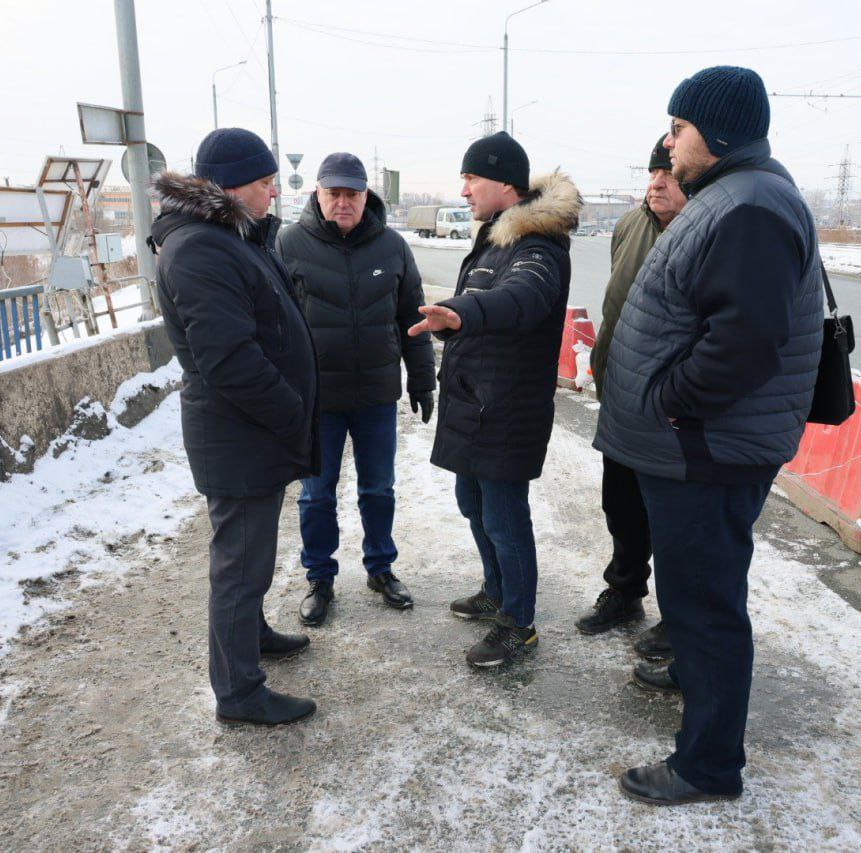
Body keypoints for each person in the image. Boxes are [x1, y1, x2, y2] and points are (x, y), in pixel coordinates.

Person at [593, 67, 825, 804]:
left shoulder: (750, 205)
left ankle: (708, 764)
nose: (670, 142)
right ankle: (696, 680)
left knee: (705, 604)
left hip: (705, 447)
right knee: (697, 596)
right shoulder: (733, 195)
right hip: (699, 444)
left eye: (679, 129)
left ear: (718, 135)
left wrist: (672, 403)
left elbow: (746, 340)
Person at [151, 127, 320, 727]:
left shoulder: (226, 236)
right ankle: (239, 693)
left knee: (252, 559)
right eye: (264, 183)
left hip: (251, 433)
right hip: (241, 433)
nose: (274, 192)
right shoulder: (199, 248)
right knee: (240, 567)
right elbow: (229, 359)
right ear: (228, 187)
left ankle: (253, 636)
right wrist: (291, 411)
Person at [408, 131, 581, 667]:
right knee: (473, 505)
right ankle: (495, 591)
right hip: (474, 405)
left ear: (504, 184)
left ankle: (519, 624)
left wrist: (463, 313)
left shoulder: (538, 248)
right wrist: (452, 323)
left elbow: (521, 299)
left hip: (507, 410)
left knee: (505, 518)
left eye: (471, 178)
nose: (463, 190)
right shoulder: (494, 240)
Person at [276, 152, 436, 627]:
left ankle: (381, 568)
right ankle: (319, 577)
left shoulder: (392, 246)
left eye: (353, 194)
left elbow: (414, 316)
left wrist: (423, 379)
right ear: (318, 194)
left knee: (378, 488)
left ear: (367, 196)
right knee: (316, 495)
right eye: (335, 193)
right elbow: (275, 325)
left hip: (374, 396)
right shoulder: (289, 245)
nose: (343, 202)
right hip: (317, 401)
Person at [575, 136, 687, 658]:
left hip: (674, 406)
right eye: (652, 174)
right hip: (621, 392)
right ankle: (624, 591)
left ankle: (679, 618)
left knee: (673, 518)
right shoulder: (630, 225)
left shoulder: (705, 228)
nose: (657, 183)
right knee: (620, 505)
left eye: (669, 174)